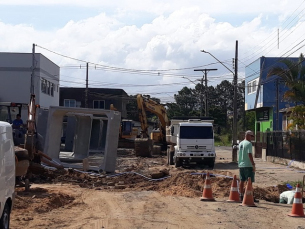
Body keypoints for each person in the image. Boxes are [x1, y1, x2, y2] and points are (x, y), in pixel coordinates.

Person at [238, 130, 258, 202]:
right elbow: (249, 154)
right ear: (247, 135)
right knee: (249, 181)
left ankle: (241, 195)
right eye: (251, 136)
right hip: (248, 165)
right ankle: (249, 196)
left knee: (242, 180)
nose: (251, 138)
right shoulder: (249, 144)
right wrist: (253, 164)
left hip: (241, 165)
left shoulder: (240, 143)